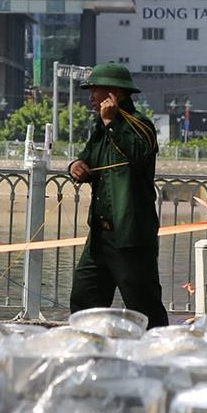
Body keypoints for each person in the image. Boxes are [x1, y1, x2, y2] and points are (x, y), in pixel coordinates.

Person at [66, 63, 168, 327]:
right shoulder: (100, 129)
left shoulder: (141, 126)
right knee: (84, 298)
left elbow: (138, 154)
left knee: (144, 305)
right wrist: (75, 167)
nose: (90, 97)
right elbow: (87, 159)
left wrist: (111, 122)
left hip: (130, 235)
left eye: (95, 91)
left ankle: (157, 355)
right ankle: (90, 349)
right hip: (100, 236)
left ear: (115, 94)